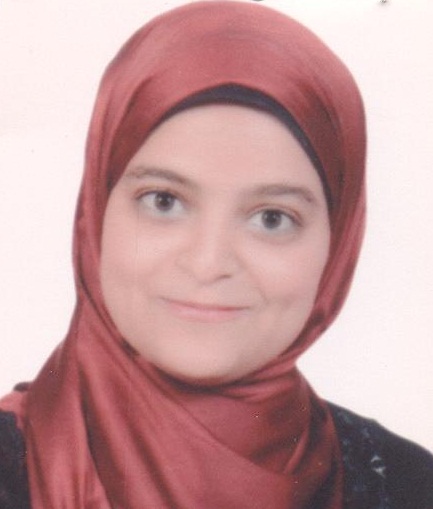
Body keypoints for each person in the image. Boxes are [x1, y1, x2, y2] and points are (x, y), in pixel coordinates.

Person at [0, 1, 432, 508]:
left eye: (272, 218)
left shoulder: (411, 486)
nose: (208, 263)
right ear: (96, 214)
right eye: (164, 201)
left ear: (337, 246)